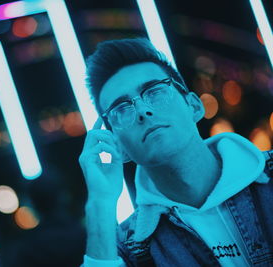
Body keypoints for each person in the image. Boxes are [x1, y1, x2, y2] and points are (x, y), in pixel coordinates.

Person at [79, 37, 273, 266]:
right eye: (122, 109)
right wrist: (99, 204)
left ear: (193, 106)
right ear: (119, 148)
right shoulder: (130, 250)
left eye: (154, 91)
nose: (142, 110)